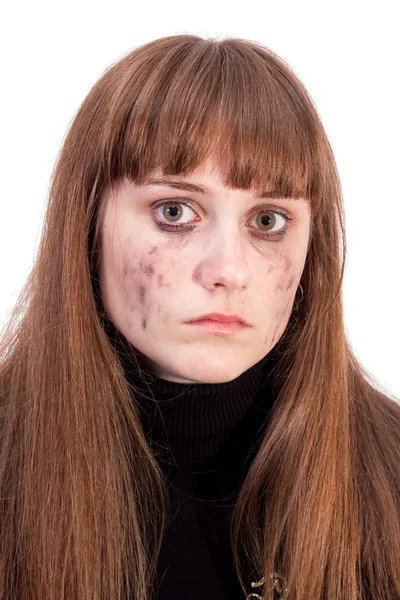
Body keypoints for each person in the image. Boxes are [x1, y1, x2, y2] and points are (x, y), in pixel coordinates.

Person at [0, 34, 399, 600]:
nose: (228, 271)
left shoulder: (391, 474)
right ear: (87, 222)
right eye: (175, 211)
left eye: (267, 221)